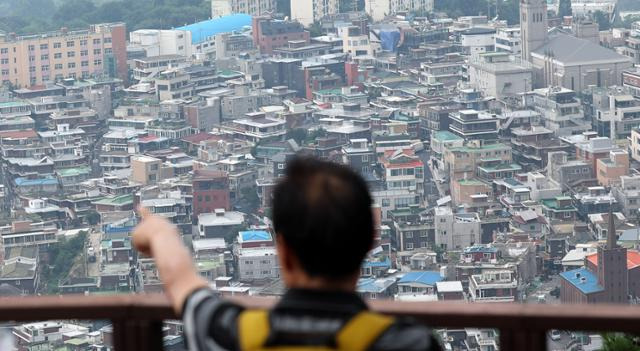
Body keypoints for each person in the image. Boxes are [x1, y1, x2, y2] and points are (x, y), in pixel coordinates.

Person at [133, 156, 442, 351]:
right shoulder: (406, 343)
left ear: (282, 250)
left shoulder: (230, 334)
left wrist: (159, 232)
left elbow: (182, 283)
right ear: (370, 242)